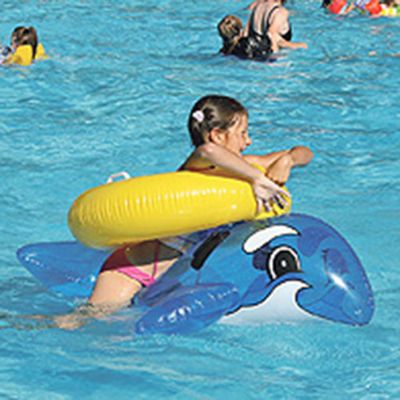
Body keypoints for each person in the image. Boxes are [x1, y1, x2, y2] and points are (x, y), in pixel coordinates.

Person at [54, 95, 313, 329]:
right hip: (137, 267)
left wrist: (288, 160)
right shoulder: (199, 165)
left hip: (176, 276)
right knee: (84, 322)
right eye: (242, 132)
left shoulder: (249, 163)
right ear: (217, 135)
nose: (249, 140)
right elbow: (207, 151)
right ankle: (25, 328)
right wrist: (256, 180)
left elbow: (304, 152)